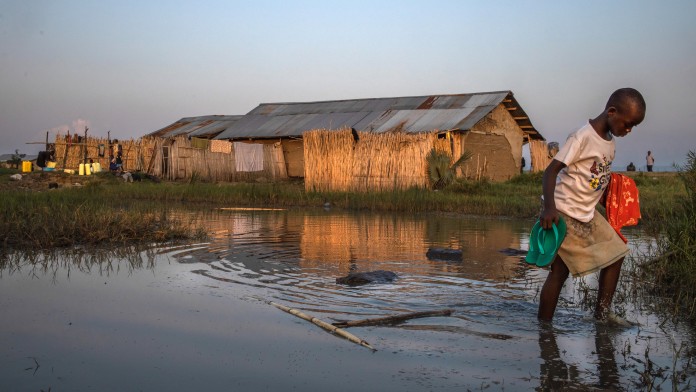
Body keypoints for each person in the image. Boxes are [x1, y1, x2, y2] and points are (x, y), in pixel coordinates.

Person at [537, 88, 646, 321]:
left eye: (633, 126)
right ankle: (544, 329)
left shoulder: (610, 142)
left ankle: (602, 315)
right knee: (559, 272)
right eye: (628, 124)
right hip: (563, 212)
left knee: (617, 254)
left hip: (587, 213)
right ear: (612, 112)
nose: (629, 130)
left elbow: (595, 178)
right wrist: (549, 208)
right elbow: (550, 171)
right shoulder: (582, 137)